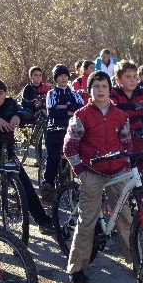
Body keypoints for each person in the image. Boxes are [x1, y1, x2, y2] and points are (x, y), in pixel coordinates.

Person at [63, 71, 132, 283]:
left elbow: (127, 142)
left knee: (126, 218)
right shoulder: (82, 115)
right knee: (87, 222)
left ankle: (137, 261)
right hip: (91, 172)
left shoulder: (120, 115)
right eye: (96, 86)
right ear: (89, 90)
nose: (100, 90)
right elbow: (70, 146)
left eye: (104, 86)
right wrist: (81, 171)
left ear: (110, 89)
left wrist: (127, 167)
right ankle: (77, 269)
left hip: (117, 171)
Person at [0, 78, 54, 235]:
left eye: (0, 93)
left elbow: (28, 113)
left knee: (26, 185)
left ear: (5, 94)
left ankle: (43, 221)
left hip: (6, 150)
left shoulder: (11, 103)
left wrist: (19, 116)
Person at [41, 64, 84, 199]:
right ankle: (47, 185)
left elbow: (81, 109)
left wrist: (63, 107)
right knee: (53, 157)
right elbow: (52, 112)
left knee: (77, 157)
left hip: (73, 130)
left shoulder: (74, 93)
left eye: (65, 75)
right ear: (56, 78)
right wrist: (70, 109)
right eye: (60, 76)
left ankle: (73, 185)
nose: (63, 78)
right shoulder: (51, 93)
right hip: (55, 129)